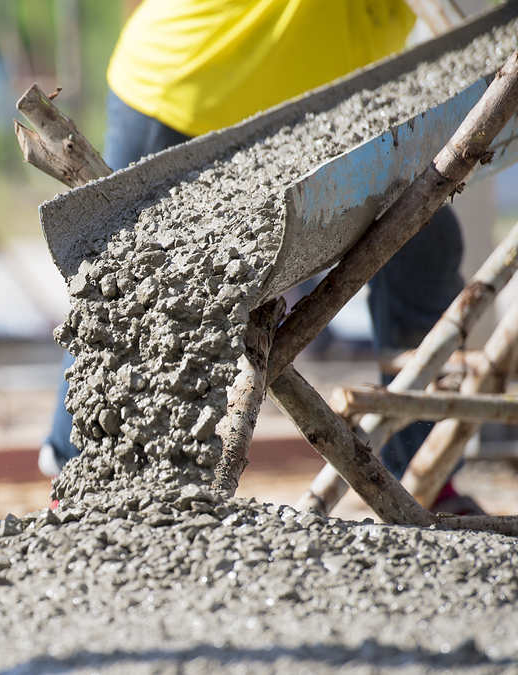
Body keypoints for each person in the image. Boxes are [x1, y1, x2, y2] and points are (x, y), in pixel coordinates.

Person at [38, 0, 482, 515]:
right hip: (187, 89)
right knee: (133, 285)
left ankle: (426, 473)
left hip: (328, 110)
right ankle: (83, 480)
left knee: (423, 245)